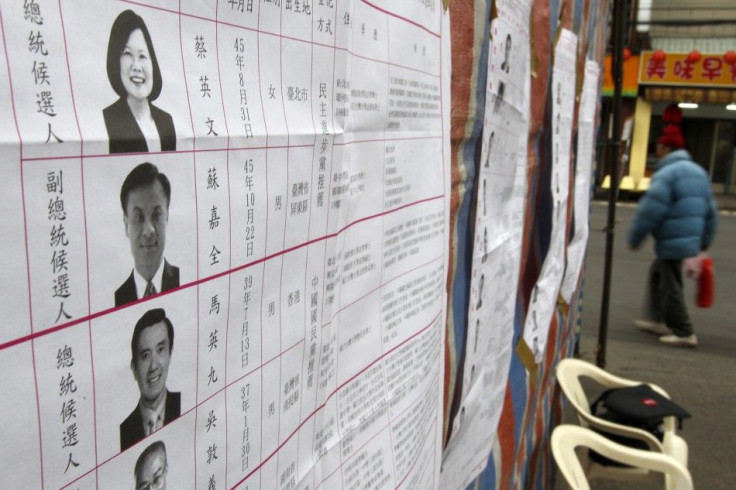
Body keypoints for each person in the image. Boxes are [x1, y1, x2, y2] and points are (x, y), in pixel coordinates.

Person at [628, 104, 717, 348]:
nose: (656, 151)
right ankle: (657, 319)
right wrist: (705, 240)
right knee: (659, 274)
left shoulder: (667, 174)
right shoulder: (699, 171)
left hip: (673, 240)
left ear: (666, 148)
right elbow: (711, 211)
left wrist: (635, 238)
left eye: (658, 147)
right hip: (689, 239)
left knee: (670, 285)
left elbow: (650, 209)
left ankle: (684, 331)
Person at [104, 9, 176, 154]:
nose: (136, 67)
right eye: (128, 54)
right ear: (116, 61)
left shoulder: (166, 121)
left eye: (142, 56)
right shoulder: (108, 118)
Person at [116, 162, 179, 307]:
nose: (149, 230)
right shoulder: (118, 297)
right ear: (126, 224)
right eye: (139, 217)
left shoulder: (184, 279)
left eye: (156, 215)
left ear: (167, 217)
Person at [121, 308, 181, 451]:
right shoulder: (124, 431)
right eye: (145, 356)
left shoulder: (184, 404)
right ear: (134, 368)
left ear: (170, 354)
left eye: (161, 350)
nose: (153, 366)